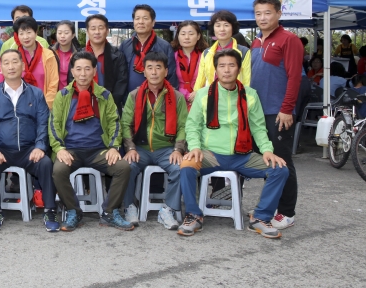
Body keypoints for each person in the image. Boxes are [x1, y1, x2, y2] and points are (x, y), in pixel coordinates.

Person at [178, 49, 288, 239]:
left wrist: (267, 151)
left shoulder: (250, 95)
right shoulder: (203, 95)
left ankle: (261, 217)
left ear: (238, 69)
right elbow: (192, 125)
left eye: (231, 65)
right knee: (186, 165)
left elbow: (258, 128)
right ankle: (193, 215)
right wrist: (195, 147)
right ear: (216, 69)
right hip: (210, 155)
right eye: (222, 66)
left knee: (280, 169)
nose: (226, 70)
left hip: (242, 156)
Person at [49, 51, 133, 232]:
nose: (83, 73)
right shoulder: (63, 95)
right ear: (72, 71)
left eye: (87, 69)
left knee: (123, 167)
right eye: (78, 69)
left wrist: (113, 147)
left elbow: (114, 122)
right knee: (58, 170)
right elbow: (54, 125)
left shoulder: (104, 95)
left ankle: (110, 212)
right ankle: (73, 211)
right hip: (71, 149)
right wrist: (59, 148)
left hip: (98, 150)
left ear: (95, 71)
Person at [0, 49, 60, 232]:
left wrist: (40, 146)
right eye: (6, 63)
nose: (11, 66)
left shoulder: (36, 93)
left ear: (22, 66)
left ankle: (50, 209)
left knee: (46, 163)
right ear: (0, 69)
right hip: (1, 149)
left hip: (29, 149)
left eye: (15, 62)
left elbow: (43, 122)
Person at [250, 0, 305, 230]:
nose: (262, 18)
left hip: (277, 112)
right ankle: (270, 207)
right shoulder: (256, 42)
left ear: (279, 14)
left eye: (267, 13)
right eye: (258, 14)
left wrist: (286, 109)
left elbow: (295, 78)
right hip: (257, 112)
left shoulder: (289, 40)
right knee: (266, 160)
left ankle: (287, 212)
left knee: (282, 162)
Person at [121, 52, 188, 230]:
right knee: (126, 167)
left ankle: (168, 209)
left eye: (158, 68)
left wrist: (178, 149)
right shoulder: (134, 95)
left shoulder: (177, 97)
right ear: (144, 71)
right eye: (149, 68)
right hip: (140, 148)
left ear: (166, 71)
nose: (154, 72)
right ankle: (129, 206)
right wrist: (130, 148)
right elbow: (125, 124)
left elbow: (183, 126)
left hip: (166, 148)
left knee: (180, 168)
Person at [193, 10, 251, 102]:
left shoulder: (243, 52)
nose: (222, 29)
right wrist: (196, 93)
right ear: (213, 28)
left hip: (235, 97)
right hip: (211, 98)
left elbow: (246, 79)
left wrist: (244, 99)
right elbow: (201, 78)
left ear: (233, 28)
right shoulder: (207, 52)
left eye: (226, 25)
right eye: (218, 25)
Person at [120, 4, 177, 91]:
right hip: (129, 100)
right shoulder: (125, 45)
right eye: (137, 18)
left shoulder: (164, 46)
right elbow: (120, 74)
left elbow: (171, 76)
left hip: (157, 98)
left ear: (153, 22)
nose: (141, 22)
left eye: (145, 18)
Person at [83, 14, 128, 110]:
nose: (97, 32)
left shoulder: (117, 55)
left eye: (101, 28)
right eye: (93, 28)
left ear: (107, 31)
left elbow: (121, 81)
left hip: (111, 107)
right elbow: (72, 79)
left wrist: (110, 104)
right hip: (84, 106)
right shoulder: (80, 55)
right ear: (87, 32)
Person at [13, 16, 58, 109]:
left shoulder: (48, 55)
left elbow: (53, 83)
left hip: (44, 106)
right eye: (21, 33)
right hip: (19, 108)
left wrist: (46, 105)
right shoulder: (14, 57)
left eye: (29, 32)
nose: (25, 37)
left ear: (36, 33)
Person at [171, 20, 207, 110]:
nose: (186, 37)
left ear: (198, 36)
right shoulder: (172, 56)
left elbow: (211, 79)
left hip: (202, 100)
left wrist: (199, 92)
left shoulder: (206, 56)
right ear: (178, 36)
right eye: (183, 34)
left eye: (191, 34)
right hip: (177, 100)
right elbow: (169, 80)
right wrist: (186, 95)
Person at [51, 20, 81, 89]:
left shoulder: (79, 54)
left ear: (73, 35)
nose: (62, 36)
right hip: (55, 95)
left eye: (66, 33)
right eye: (59, 33)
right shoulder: (50, 53)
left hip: (73, 93)